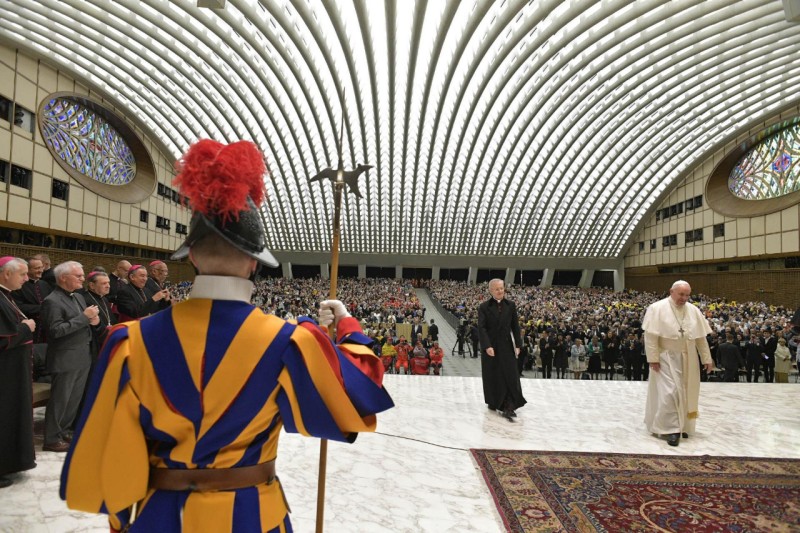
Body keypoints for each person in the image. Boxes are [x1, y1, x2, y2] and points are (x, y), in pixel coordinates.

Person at [60, 139, 393, 533]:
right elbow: (356, 400)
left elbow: (109, 459)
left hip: (159, 517)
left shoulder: (128, 342)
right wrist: (348, 324)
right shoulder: (290, 342)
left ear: (193, 256)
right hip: (254, 516)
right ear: (254, 262)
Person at [643, 280, 713, 447]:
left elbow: (700, 338)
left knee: (686, 392)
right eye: (681, 294)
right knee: (671, 392)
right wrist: (653, 358)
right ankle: (670, 429)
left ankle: (682, 426)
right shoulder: (657, 308)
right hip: (665, 357)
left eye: (687, 295)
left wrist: (707, 358)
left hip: (688, 357)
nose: (684, 298)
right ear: (671, 292)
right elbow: (651, 336)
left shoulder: (693, 310)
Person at [41, 261, 101, 452]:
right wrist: (84, 317)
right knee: (60, 400)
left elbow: (82, 322)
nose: (83, 279)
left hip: (82, 354)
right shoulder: (52, 301)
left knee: (74, 399)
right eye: (79, 276)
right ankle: (51, 438)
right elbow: (56, 330)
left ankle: (65, 431)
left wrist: (93, 320)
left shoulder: (78, 297)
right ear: (63, 278)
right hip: (65, 357)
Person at [0, 257, 37, 488]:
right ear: (6, 274)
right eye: (22, 274)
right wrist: (26, 328)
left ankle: (11, 462)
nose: (27, 279)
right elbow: (4, 339)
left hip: (13, 371)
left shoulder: (6, 296)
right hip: (5, 373)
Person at [478, 279, 526, 421]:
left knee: (510, 374)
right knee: (494, 375)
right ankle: (494, 401)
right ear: (491, 290)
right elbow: (482, 328)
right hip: (491, 348)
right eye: (497, 289)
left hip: (506, 346)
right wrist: (487, 346)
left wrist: (518, 345)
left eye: (502, 288)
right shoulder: (484, 307)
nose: (500, 291)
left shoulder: (510, 305)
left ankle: (509, 405)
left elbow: (515, 327)